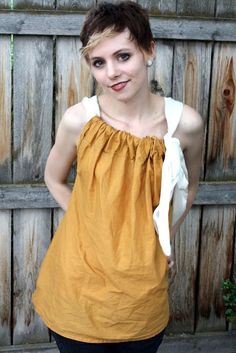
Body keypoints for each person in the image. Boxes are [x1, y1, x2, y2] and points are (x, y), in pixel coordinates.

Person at [32, 2, 203, 352]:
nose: (112, 72)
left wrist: (164, 236)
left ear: (149, 50)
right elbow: (53, 178)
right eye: (99, 62)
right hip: (77, 289)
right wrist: (86, 220)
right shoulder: (79, 120)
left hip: (141, 293)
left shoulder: (186, 125)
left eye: (123, 56)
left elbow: (191, 187)